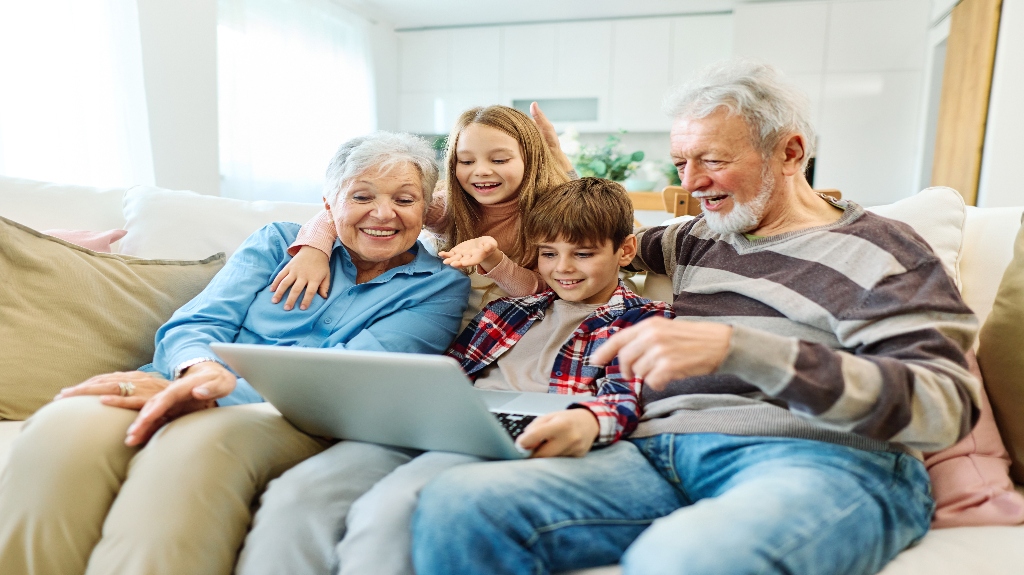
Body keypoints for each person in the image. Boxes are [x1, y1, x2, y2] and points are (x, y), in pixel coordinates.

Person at [410, 60, 981, 575]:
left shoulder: (881, 250)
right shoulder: (697, 237)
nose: (690, 183)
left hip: (823, 459)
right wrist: (556, 172)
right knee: (458, 505)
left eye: (712, 160)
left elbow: (946, 405)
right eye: (681, 162)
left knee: (684, 559)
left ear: (789, 152)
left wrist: (742, 350)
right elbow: (591, 245)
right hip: (658, 454)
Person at [0, 132, 470, 575]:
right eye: (362, 197)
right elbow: (195, 324)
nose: (383, 214)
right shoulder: (275, 244)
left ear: (426, 208)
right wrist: (198, 374)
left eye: (404, 200)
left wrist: (215, 396)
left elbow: (352, 382)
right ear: (330, 206)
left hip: (291, 418)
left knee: (196, 446)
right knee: (70, 425)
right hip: (181, 382)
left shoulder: (439, 287)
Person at [233, 177, 674, 575]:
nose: (563, 268)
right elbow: (446, 374)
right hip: (443, 421)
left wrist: (588, 421)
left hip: (514, 439)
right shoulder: (510, 309)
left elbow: (622, 401)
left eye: (583, 254)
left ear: (625, 251)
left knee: (390, 509)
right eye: (548, 254)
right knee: (299, 492)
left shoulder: (643, 321)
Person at [271, 104, 575, 321]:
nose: (481, 171)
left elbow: (541, 289)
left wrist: (493, 259)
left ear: (532, 159)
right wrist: (312, 250)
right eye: (466, 161)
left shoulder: (550, 215)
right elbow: (347, 210)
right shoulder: (449, 208)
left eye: (499, 160)